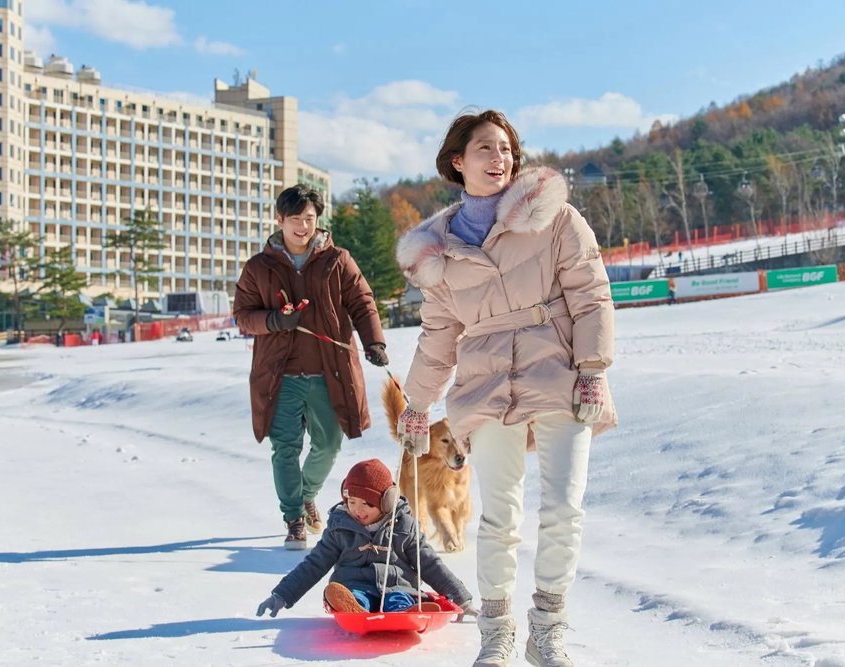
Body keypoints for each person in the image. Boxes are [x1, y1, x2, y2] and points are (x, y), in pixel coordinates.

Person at [395, 110, 617, 667]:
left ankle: (547, 631)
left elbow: (591, 293)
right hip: (486, 384)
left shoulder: (555, 217)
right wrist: (417, 404)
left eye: (506, 149)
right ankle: (496, 635)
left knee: (564, 509)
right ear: (458, 161)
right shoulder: (438, 251)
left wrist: (592, 368)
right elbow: (438, 337)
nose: (500, 159)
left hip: (560, 374)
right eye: (486, 149)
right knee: (499, 516)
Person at [233, 184, 389, 551]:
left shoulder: (337, 259)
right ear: (279, 220)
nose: (303, 227)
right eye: (295, 219)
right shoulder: (259, 267)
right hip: (280, 377)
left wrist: (375, 342)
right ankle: (294, 518)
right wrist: (274, 320)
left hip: (328, 373)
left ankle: (305, 494)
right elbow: (242, 315)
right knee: (285, 448)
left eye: (309, 219)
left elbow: (362, 301)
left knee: (329, 444)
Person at [255, 458, 473, 618]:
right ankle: (354, 608)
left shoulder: (404, 527)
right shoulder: (340, 528)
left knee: (398, 598)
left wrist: (461, 599)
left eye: (367, 504)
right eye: (351, 502)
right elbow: (314, 565)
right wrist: (282, 595)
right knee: (354, 595)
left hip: (398, 586)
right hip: (354, 585)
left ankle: (407, 611)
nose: (358, 510)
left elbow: (430, 564)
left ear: (386, 502)